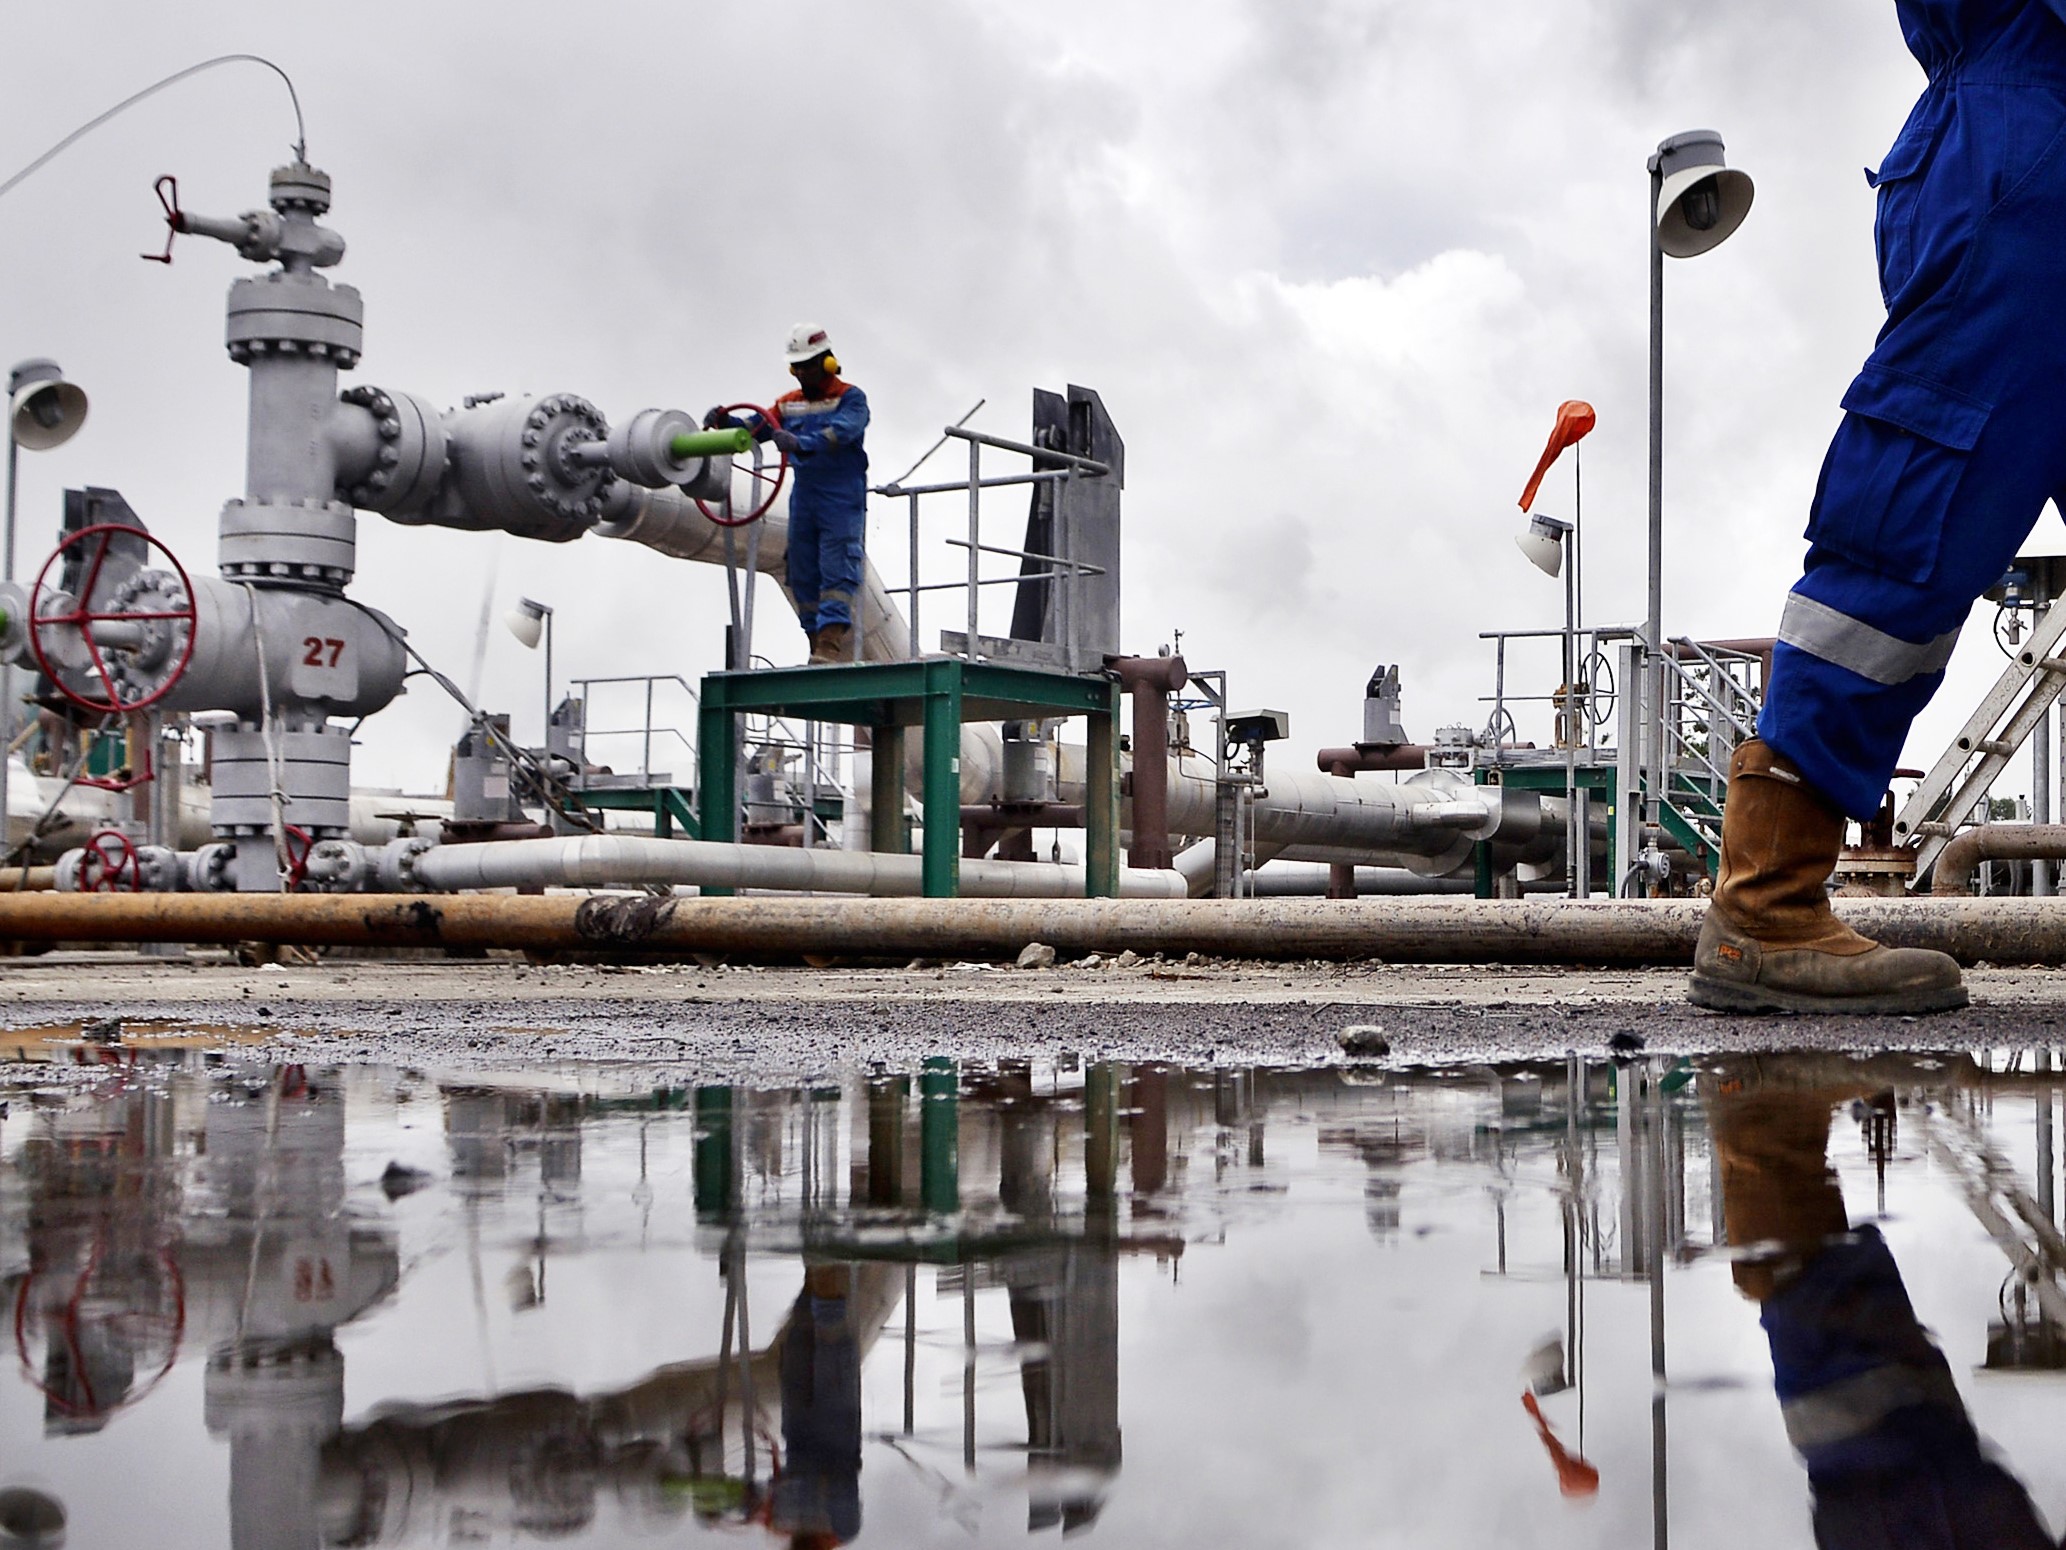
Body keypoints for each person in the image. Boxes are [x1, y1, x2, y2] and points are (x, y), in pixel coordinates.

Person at [1693, 0, 2066, 1014]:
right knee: (1918, 501)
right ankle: (1765, 895)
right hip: (2028, 150)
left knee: (1929, 483)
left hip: (2020, 141)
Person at [707, 325, 871, 665]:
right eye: (796, 367)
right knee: (801, 566)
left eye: (807, 366)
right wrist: (725, 422)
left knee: (836, 564)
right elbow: (755, 428)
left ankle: (830, 641)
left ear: (827, 363)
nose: (801, 374)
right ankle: (814, 639)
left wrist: (802, 444)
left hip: (841, 495)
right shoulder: (789, 404)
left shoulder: (851, 398)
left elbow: (843, 431)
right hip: (806, 495)